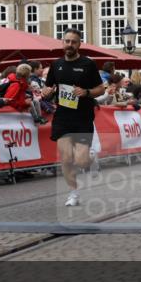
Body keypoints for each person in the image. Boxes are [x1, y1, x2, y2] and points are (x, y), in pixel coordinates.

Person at [40, 29, 105, 207]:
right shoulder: (56, 65)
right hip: (62, 116)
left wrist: (87, 92)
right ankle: (73, 193)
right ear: (63, 43)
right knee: (66, 158)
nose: (69, 45)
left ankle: (92, 160)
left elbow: (101, 88)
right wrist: (46, 92)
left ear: (79, 44)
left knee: (81, 160)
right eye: (67, 41)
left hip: (83, 117)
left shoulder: (88, 64)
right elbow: (48, 88)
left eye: (73, 42)